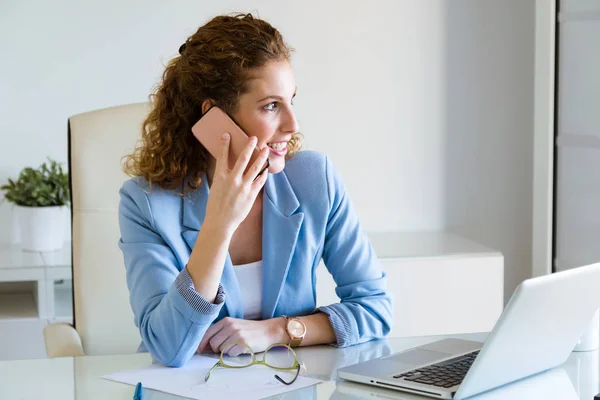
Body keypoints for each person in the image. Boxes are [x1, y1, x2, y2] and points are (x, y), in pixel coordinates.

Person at [118, 12, 392, 368]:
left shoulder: (313, 180)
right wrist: (218, 225)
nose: (293, 125)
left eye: (291, 100)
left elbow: (376, 308)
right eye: (271, 106)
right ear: (214, 117)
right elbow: (168, 347)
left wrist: (280, 330)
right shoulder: (147, 203)